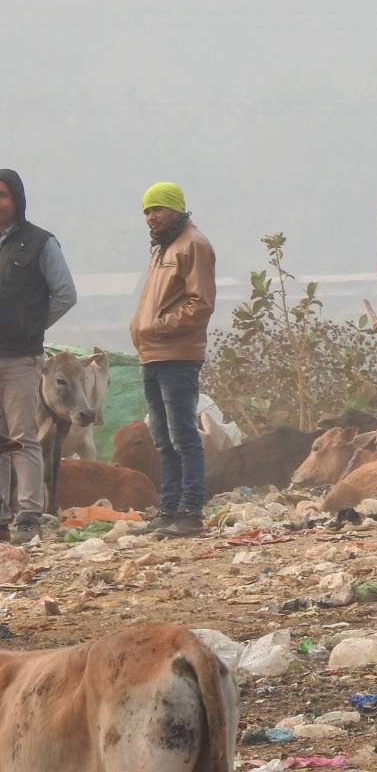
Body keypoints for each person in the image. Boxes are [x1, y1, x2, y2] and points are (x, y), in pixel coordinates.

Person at [129, 182, 215, 539]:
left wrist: (160, 327)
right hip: (152, 353)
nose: (151, 217)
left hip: (176, 354)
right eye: (147, 211)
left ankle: (191, 511)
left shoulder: (193, 245)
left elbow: (201, 303)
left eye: (158, 210)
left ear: (176, 209)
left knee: (183, 435)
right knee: (162, 436)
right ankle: (169, 509)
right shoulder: (163, 247)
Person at [0, 170, 77, 546]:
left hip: (19, 357)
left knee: (22, 437)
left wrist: (31, 327)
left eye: (3, 195)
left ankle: (29, 516)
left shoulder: (40, 243)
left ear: (17, 199)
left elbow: (64, 294)